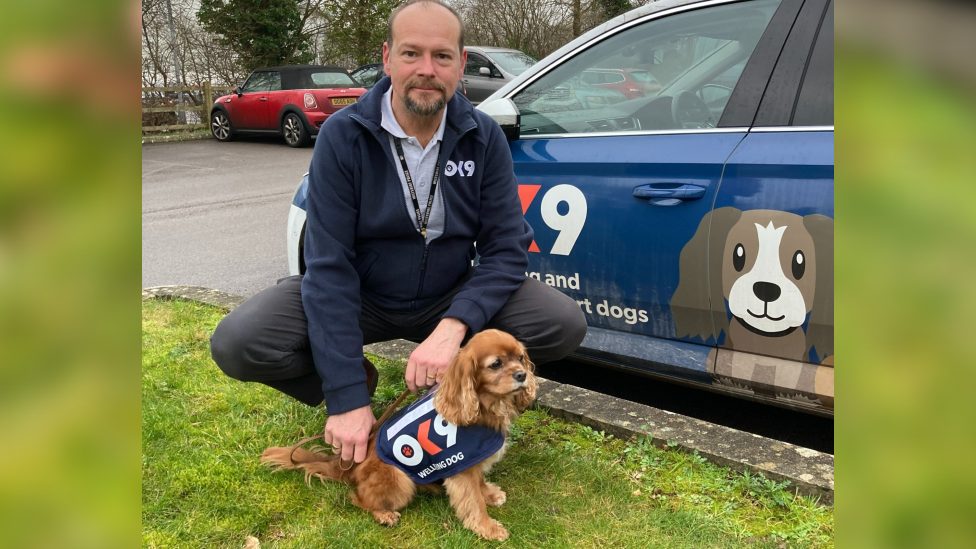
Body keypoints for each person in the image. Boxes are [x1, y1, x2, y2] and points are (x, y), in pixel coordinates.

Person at [210, 0, 586, 467]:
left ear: (461, 64)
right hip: (364, 296)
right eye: (411, 54)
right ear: (387, 58)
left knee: (561, 323)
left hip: (447, 296)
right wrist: (345, 394)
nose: (426, 70)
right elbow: (328, 267)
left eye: (442, 56)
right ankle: (354, 379)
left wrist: (455, 328)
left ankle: (459, 399)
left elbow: (506, 251)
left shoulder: (483, 136)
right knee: (239, 342)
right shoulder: (343, 136)